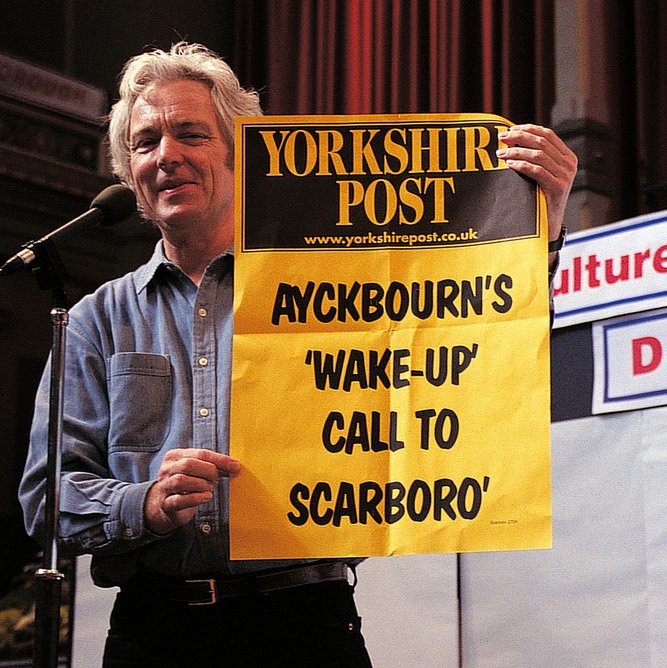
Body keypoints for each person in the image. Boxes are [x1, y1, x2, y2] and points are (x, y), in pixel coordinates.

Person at [19, 42, 577, 667]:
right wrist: (142, 504)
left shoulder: (336, 291)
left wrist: (542, 226)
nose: (167, 156)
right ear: (129, 170)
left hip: (306, 628)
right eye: (145, 142)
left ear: (240, 151)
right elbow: (45, 501)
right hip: (153, 632)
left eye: (190, 134)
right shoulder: (96, 320)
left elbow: (477, 345)